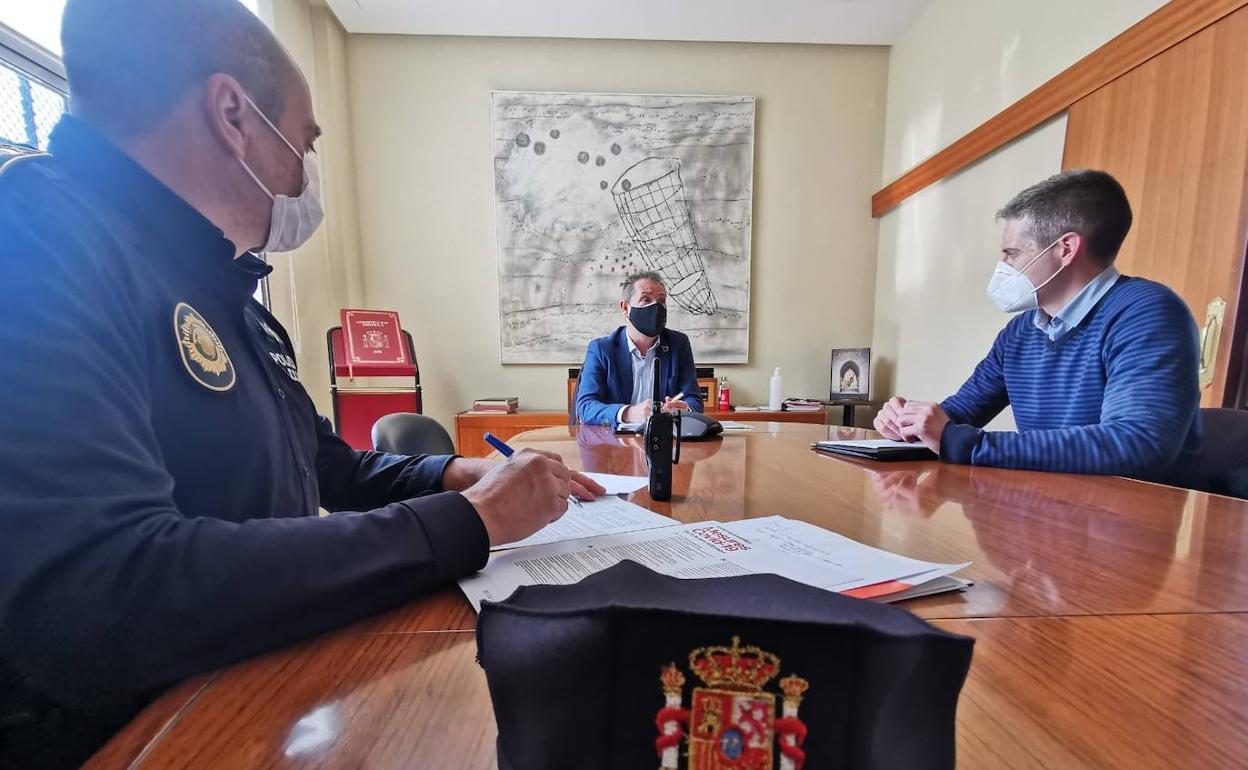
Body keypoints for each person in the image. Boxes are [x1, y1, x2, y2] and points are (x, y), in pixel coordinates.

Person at [0, 1, 603, 766]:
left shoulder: (233, 297)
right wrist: (468, 522)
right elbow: (101, 594)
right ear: (233, 115)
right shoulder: (38, 240)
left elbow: (329, 467)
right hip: (146, 738)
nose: (308, 174)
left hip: (264, 691)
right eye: (306, 141)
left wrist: (458, 473)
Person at [874, 169, 1202, 479]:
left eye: (1012, 253)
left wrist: (967, 444)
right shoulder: (1020, 332)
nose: (1003, 266)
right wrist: (909, 424)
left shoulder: (1146, 312)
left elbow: (1136, 443)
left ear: (1066, 249)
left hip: (1127, 513)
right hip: (1047, 503)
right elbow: (959, 415)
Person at [575, 272, 703, 428]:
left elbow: (694, 401)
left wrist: (684, 409)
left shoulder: (678, 344)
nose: (656, 307)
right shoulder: (602, 349)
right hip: (614, 440)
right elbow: (585, 408)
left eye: (661, 301)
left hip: (664, 436)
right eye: (646, 299)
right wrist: (629, 413)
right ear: (625, 307)